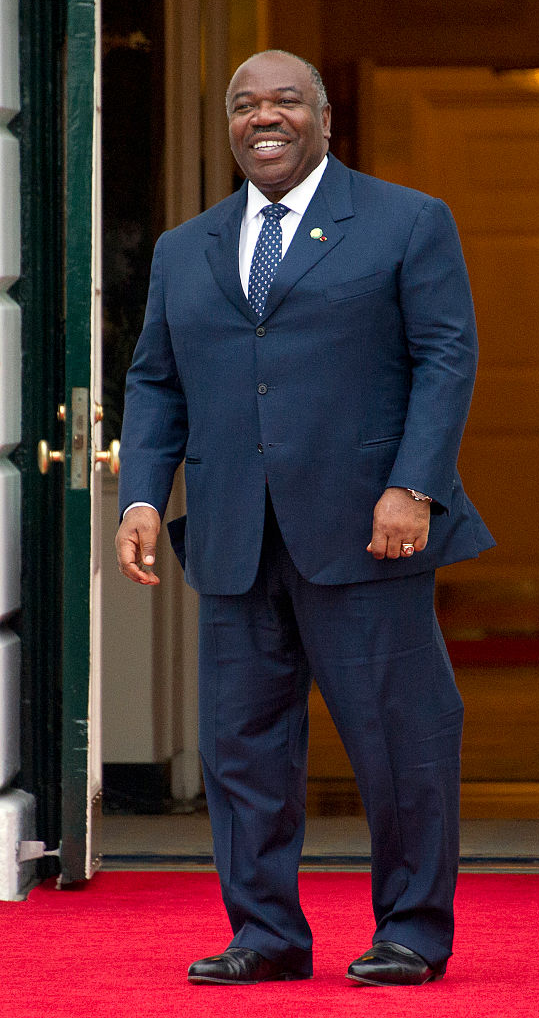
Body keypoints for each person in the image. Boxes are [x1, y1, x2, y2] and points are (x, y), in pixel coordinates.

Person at [116, 49, 495, 988]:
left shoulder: (407, 221)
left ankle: (411, 930)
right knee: (242, 750)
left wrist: (415, 485)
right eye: (246, 105)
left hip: (370, 531)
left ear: (324, 117)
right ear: (231, 125)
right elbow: (156, 382)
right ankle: (267, 935)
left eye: (285, 101)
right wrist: (139, 496)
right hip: (236, 537)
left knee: (400, 743)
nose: (264, 118)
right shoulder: (184, 246)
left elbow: (446, 361)